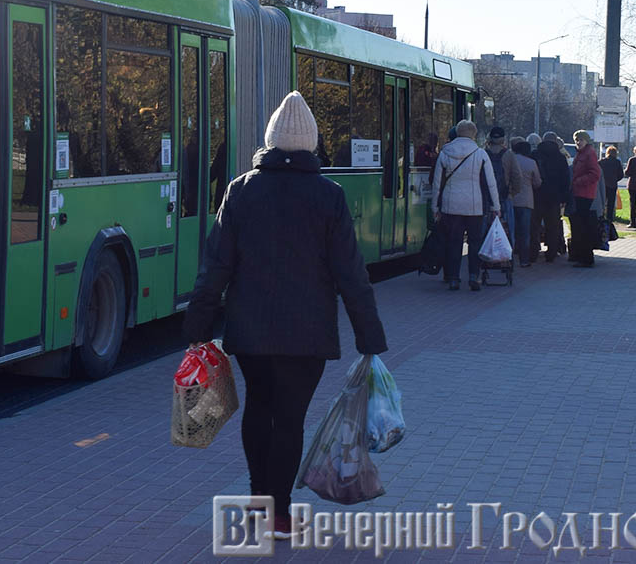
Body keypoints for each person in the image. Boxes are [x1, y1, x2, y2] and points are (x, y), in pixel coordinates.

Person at [183, 91, 387, 539]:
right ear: (311, 144)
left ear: (271, 142)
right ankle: (279, 513)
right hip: (307, 332)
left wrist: (198, 325)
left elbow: (216, 263)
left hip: (250, 329)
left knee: (258, 407)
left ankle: (259, 504)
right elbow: (351, 274)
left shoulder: (241, 190)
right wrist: (369, 337)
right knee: (290, 417)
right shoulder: (329, 196)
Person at [432, 119, 500, 291]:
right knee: (474, 242)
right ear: (474, 134)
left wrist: (435, 207)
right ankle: (473, 276)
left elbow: (436, 183)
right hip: (474, 207)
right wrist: (496, 207)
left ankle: (453, 278)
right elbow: (491, 183)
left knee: (454, 242)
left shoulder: (445, 153)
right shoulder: (480, 154)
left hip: (450, 206)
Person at [483, 126, 523, 248]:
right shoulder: (509, 155)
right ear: (503, 139)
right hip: (504, 197)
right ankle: (505, 256)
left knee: (483, 230)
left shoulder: (483, 153)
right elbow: (517, 176)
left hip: (485, 198)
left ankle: (484, 256)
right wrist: (512, 192)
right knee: (507, 230)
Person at [568, 130, 601, 267]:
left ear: (586, 141)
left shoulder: (589, 153)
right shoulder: (581, 154)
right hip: (579, 193)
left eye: (581, 140)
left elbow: (595, 174)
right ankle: (581, 255)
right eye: (576, 140)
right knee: (579, 225)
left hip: (585, 193)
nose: (578, 142)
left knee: (583, 226)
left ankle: (586, 257)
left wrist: (578, 182)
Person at [536, 132, 571, 261]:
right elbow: (565, 179)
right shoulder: (560, 157)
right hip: (555, 196)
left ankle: (533, 251)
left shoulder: (536, 155)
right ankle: (551, 253)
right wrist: (564, 197)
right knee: (553, 226)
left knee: (535, 225)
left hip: (537, 194)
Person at [511, 140, 541, 268]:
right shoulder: (531, 163)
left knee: (511, 230)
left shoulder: (509, 161)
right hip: (526, 201)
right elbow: (537, 182)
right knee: (524, 232)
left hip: (511, 199)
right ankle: (524, 259)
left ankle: (508, 260)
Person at [598, 145, 624, 224]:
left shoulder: (601, 162)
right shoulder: (617, 162)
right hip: (612, 185)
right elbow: (621, 174)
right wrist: (615, 179)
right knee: (611, 203)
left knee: (602, 202)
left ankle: (601, 217)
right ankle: (609, 219)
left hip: (603, 185)